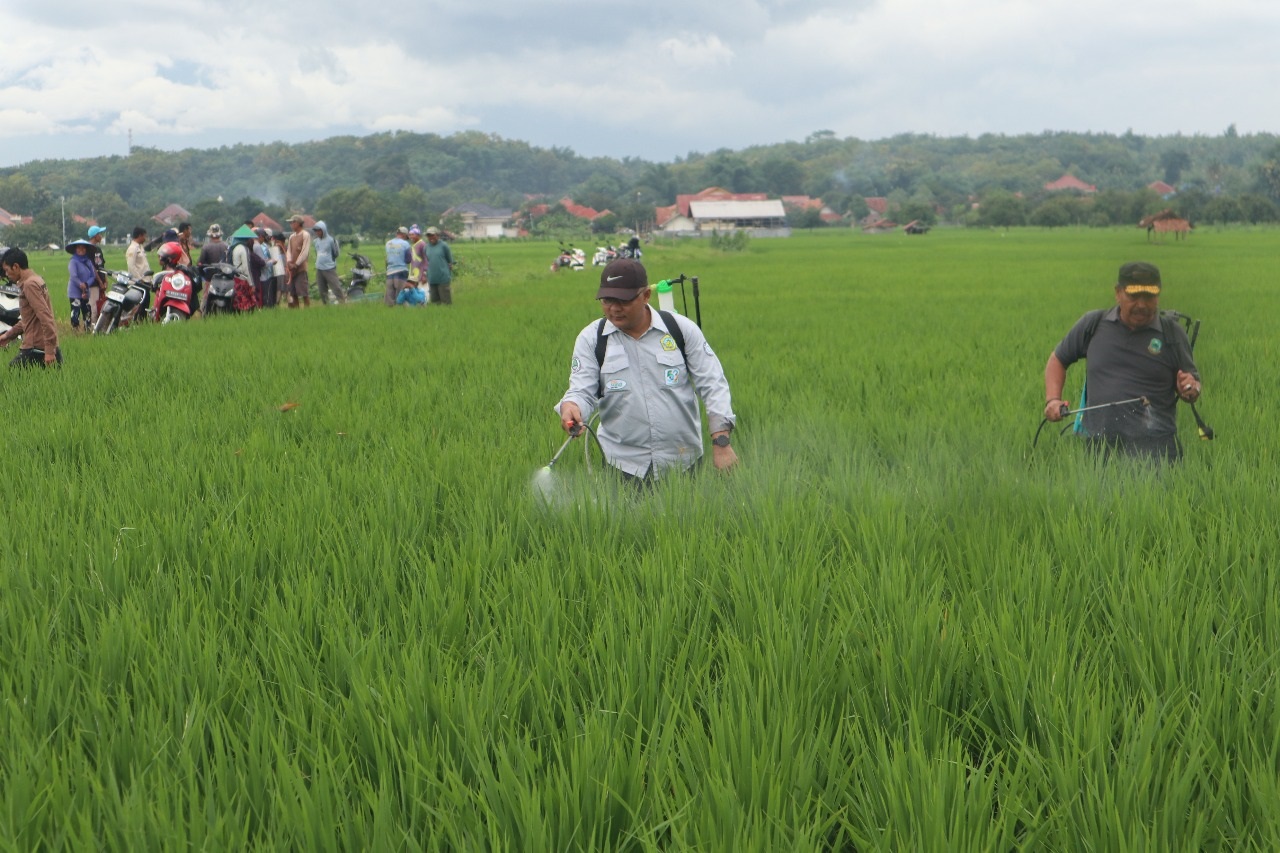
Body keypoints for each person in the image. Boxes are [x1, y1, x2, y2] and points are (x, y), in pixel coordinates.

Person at [555, 258, 737, 481]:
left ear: (646, 296)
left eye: (623, 300)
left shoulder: (680, 329)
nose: (614, 308)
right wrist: (571, 406)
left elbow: (712, 383)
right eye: (607, 300)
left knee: (688, 516)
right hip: (622, 466)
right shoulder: (592, 339)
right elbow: (582, 390)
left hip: (683, 461)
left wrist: (721, 441)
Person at [1043, 261, 1202, 461]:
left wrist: (1190, 388)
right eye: (1134, 296)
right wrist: (1053, 400)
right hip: (1099, 448)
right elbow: (1058, 359)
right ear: (1118, 293)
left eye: (1149, 296)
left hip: (1157, 451)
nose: (1142, 304)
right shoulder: (1093, 324)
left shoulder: (1172, 334)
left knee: (1157, 493)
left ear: (1158, 295)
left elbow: (1192, 384)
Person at [0, 247, 61, 367]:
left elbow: (45, 317)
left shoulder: (30, 285)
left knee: (12, 377)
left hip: (36, 348)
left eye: (7, 270)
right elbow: (29, 319)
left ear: (16, 267)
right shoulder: (37, 280)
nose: (6, 275)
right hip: (43, 346)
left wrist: (49, 351)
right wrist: (8, 336)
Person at [66, 239, 96, 332]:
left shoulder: (88, 261)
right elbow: (73, 276)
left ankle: (87, 330)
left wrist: (86, 284)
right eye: (79, 248)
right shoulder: (73, 262)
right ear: (75, 249)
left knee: (87, 311)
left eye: (83, 248)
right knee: (75, 311)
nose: (81, 250)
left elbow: (93, 275)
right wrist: (80, 284)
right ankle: (75, 330)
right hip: (75, 291)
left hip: (86, 291)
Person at [311, 221, 345, 304]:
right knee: (322, 289)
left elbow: (336, 253)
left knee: (336, 287)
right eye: (316, 231)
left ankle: (342, 302)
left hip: (329, 268)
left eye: (319, 230)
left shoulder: (331, 240)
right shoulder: (316, 241)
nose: (317, 233)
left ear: (323, 230)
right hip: (319, 268)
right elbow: (317, 252)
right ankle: (326, 305)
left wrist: (329, 260)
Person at [422, 226, 455, 305]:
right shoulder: (426, 247)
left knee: (446, 302)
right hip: (432, 278)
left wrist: (447, 272)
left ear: (438, 235)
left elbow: (450, 261)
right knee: (435, 302)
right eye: (429, 236)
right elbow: (426, 262)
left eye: (432, 235)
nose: (431, 237)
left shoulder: (444, 246)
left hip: (443, 278)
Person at [285, 214, 312, 308]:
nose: (291, 225)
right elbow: (289, 250)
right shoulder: (292, 237)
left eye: (292, 223)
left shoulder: (305, 235)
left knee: (303, 292)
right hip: (291, 269)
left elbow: (304, 252)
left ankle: (307, 310)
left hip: (300, 268)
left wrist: (296, 264)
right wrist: (289, 262)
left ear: (297, 223)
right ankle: (295, 311)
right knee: (293, 293)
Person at [383, 226, 411, 306]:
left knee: (389, 296)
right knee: (400, 295)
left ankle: (390, 312)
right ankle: (400, 312)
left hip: (390, 272)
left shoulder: (388, 243)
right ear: (404, 235)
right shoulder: (405, 244)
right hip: (401, 272)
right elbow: (408, 260)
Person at [86, 225, 109, 323]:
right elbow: (92, 268)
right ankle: (92, 328)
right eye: (99, 234)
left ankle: (100, 326)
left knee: (102, 305)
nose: (101, 236)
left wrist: (105, 280)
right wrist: (99, 282)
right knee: (93, 307)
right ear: (95, 236)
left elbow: (102, 266)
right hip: (93, 283)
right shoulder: (88, 249)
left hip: (101, 282)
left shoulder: (98, 249)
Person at [266, 232, 286, 308]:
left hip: (282, 272)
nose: (276, 243)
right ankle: (275, 303)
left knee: (280, 289)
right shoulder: (273, 249)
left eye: (277, 241)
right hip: (274, 272)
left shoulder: (285, 250)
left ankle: (277, 303)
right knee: (276, 288)